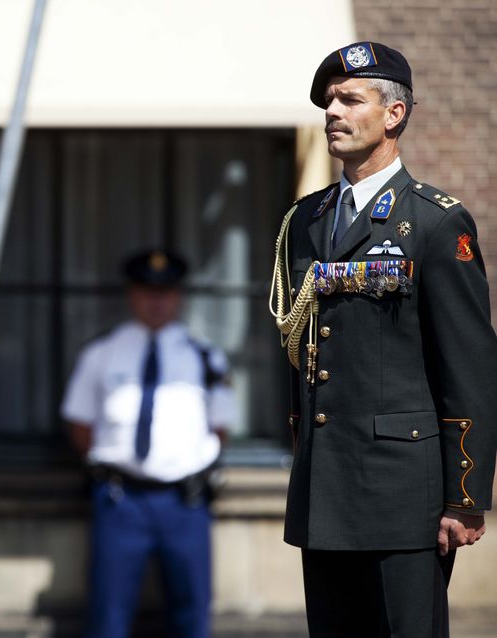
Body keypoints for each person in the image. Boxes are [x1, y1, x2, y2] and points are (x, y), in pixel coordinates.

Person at [269, 42, 497, 637]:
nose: (333, 113)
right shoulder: (306, 221)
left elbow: (468, 368)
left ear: (393, 115)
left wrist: (465, 494)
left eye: (351, 99)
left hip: (404, 498)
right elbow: (304, 354)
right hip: (325, 491)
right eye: (328, 102)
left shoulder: (435, 222)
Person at [61, 249, 235, 638]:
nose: (156, 302)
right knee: (109, 614)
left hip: (185, 503)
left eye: (166, 292)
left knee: (191, 614)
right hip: (121, 501)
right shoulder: (101, 353)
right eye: (147, 292)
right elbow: (80, 423)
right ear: (132, 295)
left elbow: (220, 428)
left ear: (178, 297)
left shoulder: (205, 357)